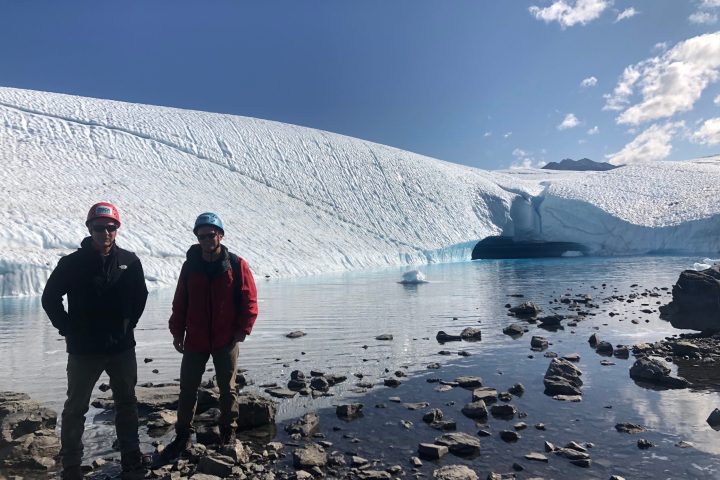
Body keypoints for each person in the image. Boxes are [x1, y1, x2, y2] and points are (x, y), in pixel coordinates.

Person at [42, 202, 149, 480]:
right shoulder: (72, 264)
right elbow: (50, 298)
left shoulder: (130, 261)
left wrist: (129, 324)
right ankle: (72, 467)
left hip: (121, 348)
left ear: (117, 229)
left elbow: (141, 296)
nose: (105, 232)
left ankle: (131, 458)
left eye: (110, 227)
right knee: (76, 407)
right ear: (90, 229)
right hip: (84, 350)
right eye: (99, 227)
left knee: (127, 402)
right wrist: (67, 329)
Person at [160, 212, 258, 461]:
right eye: (201, 236)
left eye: (210, 235)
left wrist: (243, 329)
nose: (206, 240)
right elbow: (180, 301)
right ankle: (183, 434)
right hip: (195, 339)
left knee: (228, 388)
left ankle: (228, 432)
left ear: (220, 235)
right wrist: (177, 331)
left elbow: (249, 299)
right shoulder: (190, 266)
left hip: (226, 339)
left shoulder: (236, 264)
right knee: (187, 389)